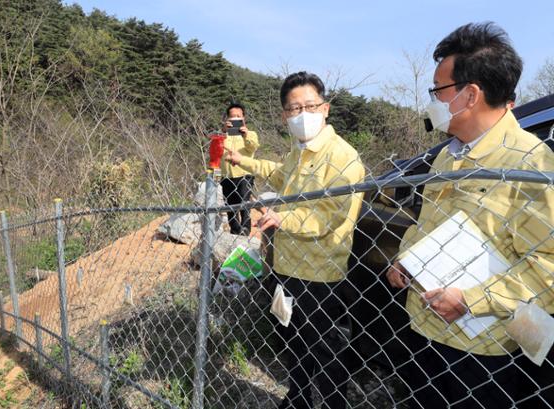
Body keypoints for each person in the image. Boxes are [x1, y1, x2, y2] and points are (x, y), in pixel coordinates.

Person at [385, 22, 554, 408]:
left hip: (478, 350)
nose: (432, 101)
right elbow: (427, 223)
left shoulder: (531, 163)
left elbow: (548, 267)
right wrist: (406, 259)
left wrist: (472, 299)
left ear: (470, 94)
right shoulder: (448, 154)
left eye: (438, 91)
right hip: (421, 329)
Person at [226, 71, 365, 409]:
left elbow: (329, 214)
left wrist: (281, 217)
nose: (302, 115)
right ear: (284, 115)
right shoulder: (297, 152)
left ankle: (334, 403)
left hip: (319, 275)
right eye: (293, 109)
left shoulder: (342, 157)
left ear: (326, 108)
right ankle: (299, 397)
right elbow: (277, 172)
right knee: (292, 341)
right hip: (286, 267)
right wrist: (241, 160)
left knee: (326, 349)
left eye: (309, 106)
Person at [219, 102, 259, 235]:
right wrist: (223, 131)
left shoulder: (251, 134)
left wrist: (245, 134)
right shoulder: (223, 135)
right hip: (227, 176)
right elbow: (216, 150)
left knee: (245, 205)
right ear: (227, 119)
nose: (235, 118)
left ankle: (245, 231)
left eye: (238, 116)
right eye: (232, 116)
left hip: (244, 175)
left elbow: (253, 146)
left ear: (244, 118)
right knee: (230, 207)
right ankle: (235, 232)